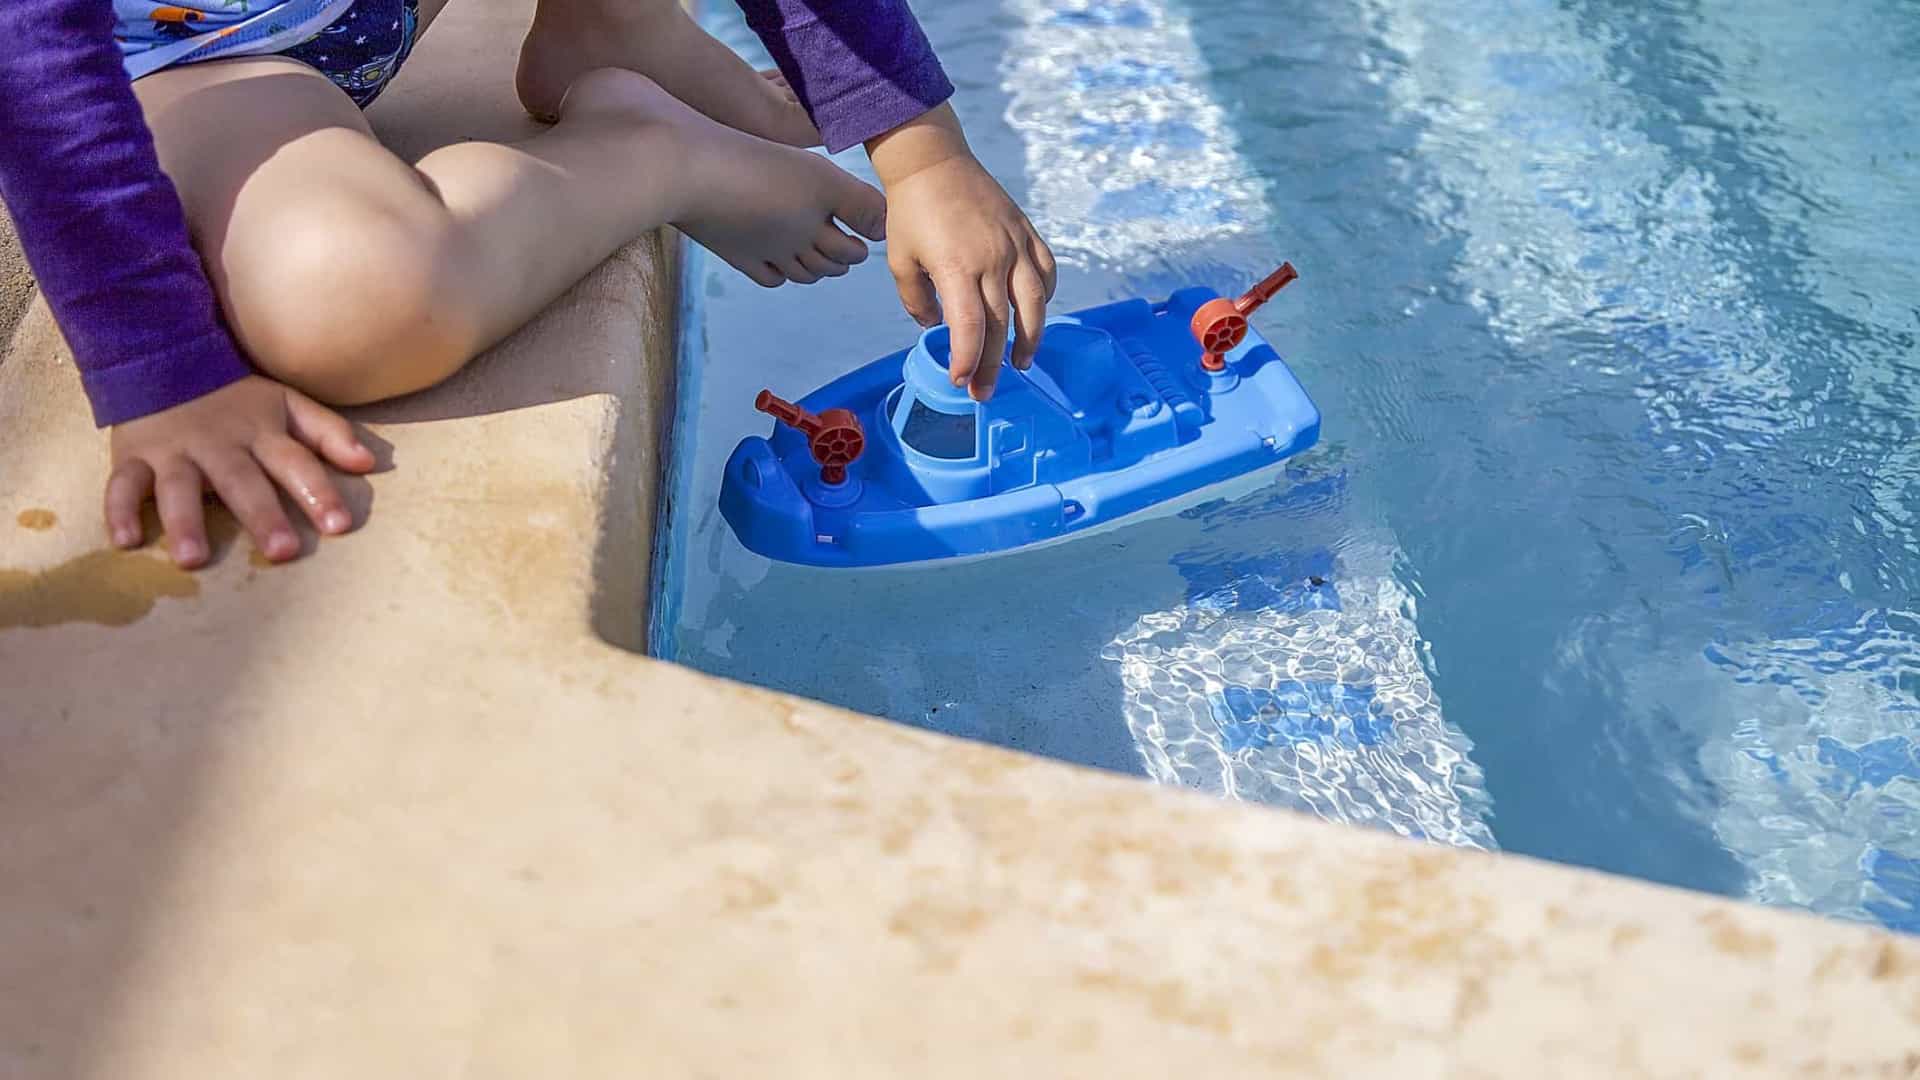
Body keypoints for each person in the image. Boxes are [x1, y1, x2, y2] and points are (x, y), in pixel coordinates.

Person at [0, 0, 1056, 568]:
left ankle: (610, 21)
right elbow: (30, 45)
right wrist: (161, 369)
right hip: (186, 56)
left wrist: (920, 149)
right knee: (356, 304)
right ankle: (648, 150)